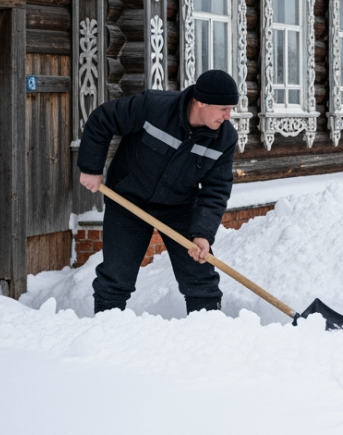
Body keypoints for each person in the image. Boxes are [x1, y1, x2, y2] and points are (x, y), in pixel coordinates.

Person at [76, 70, 240, 315]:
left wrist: (203, 233)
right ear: (201, 102)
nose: (228, 116)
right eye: (224, 109)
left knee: (200, 276)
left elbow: (216, 188)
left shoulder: (224, 138)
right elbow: (103, 118)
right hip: (127, 200)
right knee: (116, 277)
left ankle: (208, 333)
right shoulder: (153, 106)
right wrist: (90, 168)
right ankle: (105, 333)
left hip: (179, 207)